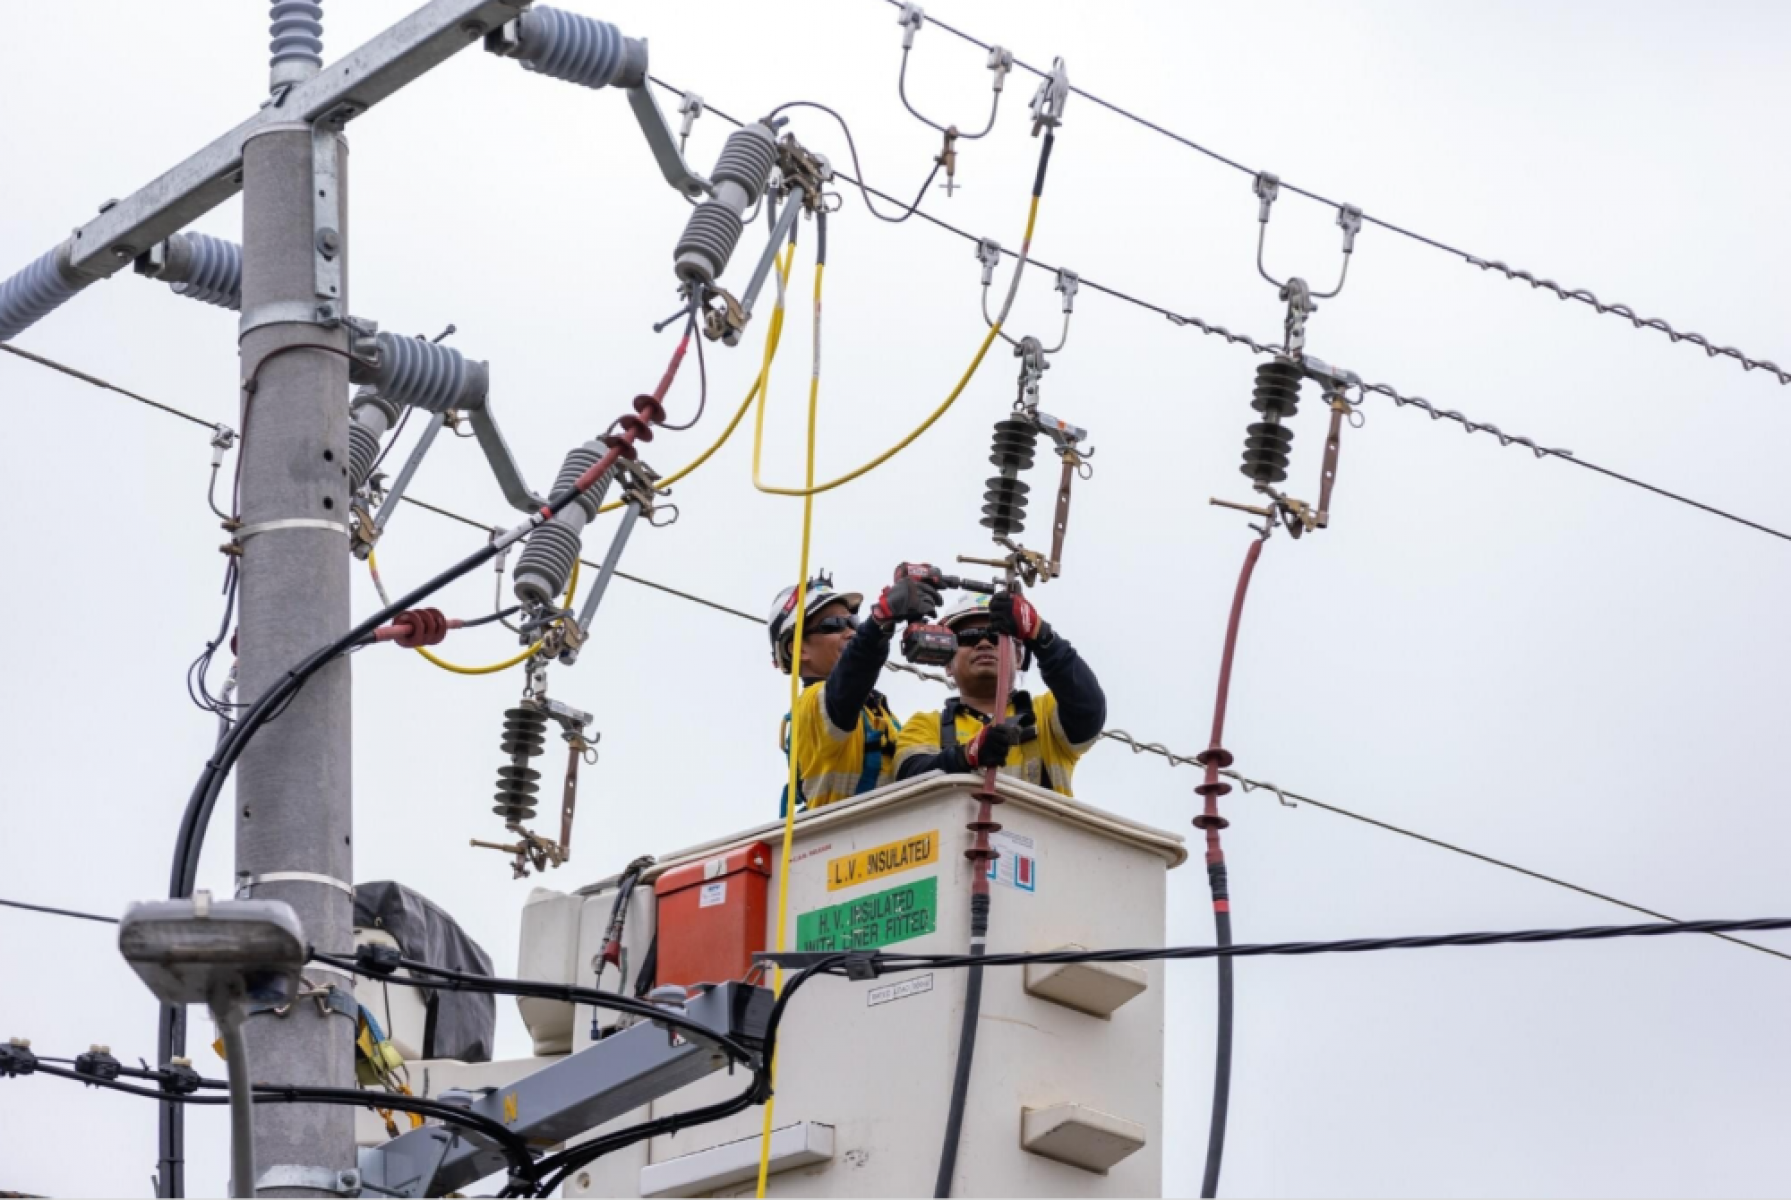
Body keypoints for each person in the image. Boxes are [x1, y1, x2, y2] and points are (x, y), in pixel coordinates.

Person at [893, 590, 1105, 797]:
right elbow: (909, 779)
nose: (984, 643)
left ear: (1019, 657)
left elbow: (1088, 709)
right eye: (969, 637)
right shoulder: (924, 726)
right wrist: (966, 755)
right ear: (948, 664)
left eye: (996, 636)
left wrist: (1040, 634)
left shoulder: (1046, 715)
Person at [768, 568, 943, 813]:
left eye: (852, 622)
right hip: (839, 844)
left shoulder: (881, 717)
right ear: (800, 650)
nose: (851, 632)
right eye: (833, 624)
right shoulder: (810, 707)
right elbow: (848, 683)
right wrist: (881, 621)